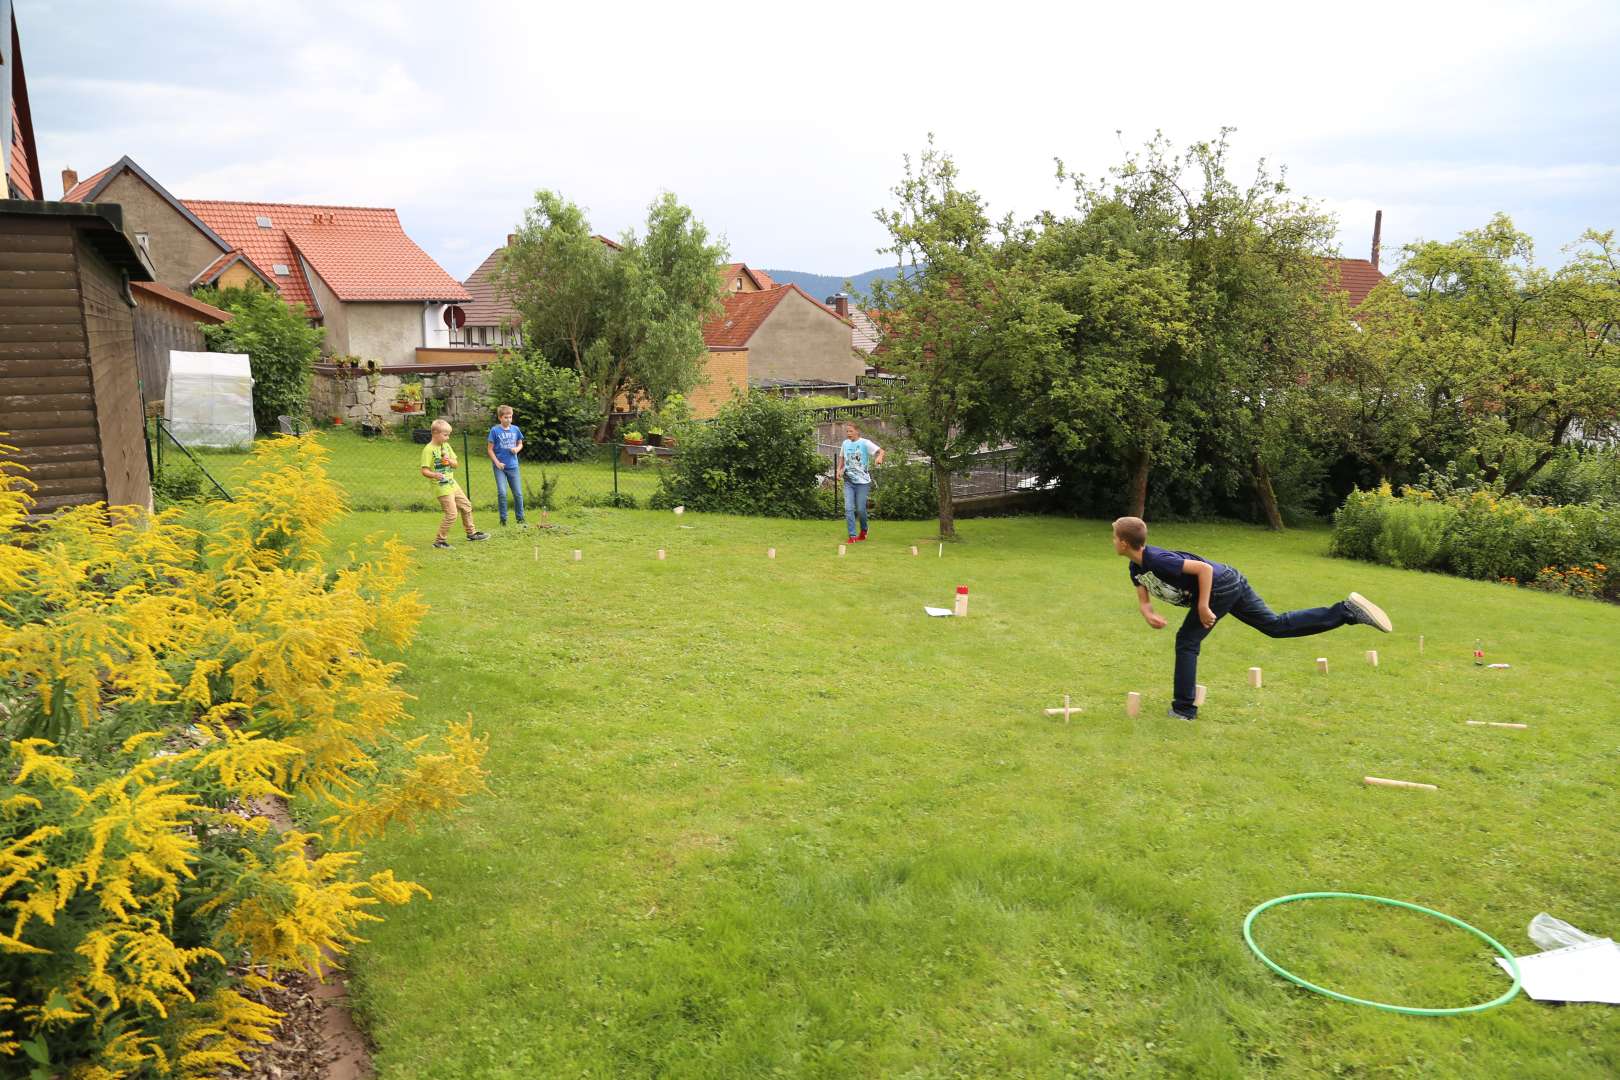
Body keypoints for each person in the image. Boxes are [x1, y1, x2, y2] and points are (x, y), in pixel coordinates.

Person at [1113, 515, 1391, 720]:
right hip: (1230, 581)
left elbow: (1203, 570)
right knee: (1275, 626)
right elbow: (1144, 598)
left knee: (1187, 641)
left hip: (1220, 584)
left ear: (1125, 543)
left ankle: (1183, 709)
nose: (1112, 541)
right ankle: (1347, 611)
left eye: (1114, 537)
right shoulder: (1135, 568)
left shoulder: (1159, 560)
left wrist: (1202, 605)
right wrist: (1148, 613)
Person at [420, 419, 489, 549]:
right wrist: (435, 475)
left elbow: (456, 464)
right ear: (435, 433)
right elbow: (424, 470)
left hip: (452, 483)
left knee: (466, 506)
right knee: (452, 514)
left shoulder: (446, 446)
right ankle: (440, 541)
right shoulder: (428, 450)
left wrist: (449, 461)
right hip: (441, 486)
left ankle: (471, 533)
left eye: (448, 434)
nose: (448, 437)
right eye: (445, 435)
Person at [836, 422, 884, 543]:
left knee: (861, 509)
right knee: (848, 508)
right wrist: (839, 469)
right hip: (848, 481)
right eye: (847, 431)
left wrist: (879, 457)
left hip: (863, 482)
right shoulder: (845, 443)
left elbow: (881, 451)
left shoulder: (865, 443)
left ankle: (864, 530)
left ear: (857, 431)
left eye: (850, 431)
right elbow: (842, 457)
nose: (848, 434)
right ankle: (852, 536)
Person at [486, 405, 526, 527]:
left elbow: (520, 443)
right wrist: (497, 463)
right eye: (505, 417)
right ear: (500, 418)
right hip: (500, 468)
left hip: (513, 466)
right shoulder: (495, 431)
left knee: (518, 494)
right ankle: (503, 520)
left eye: (510, 417)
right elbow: (490, 450)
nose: (508, 419)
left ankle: (520, 519)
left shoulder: (515, 429)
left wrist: (517, 449)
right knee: (502, 493)